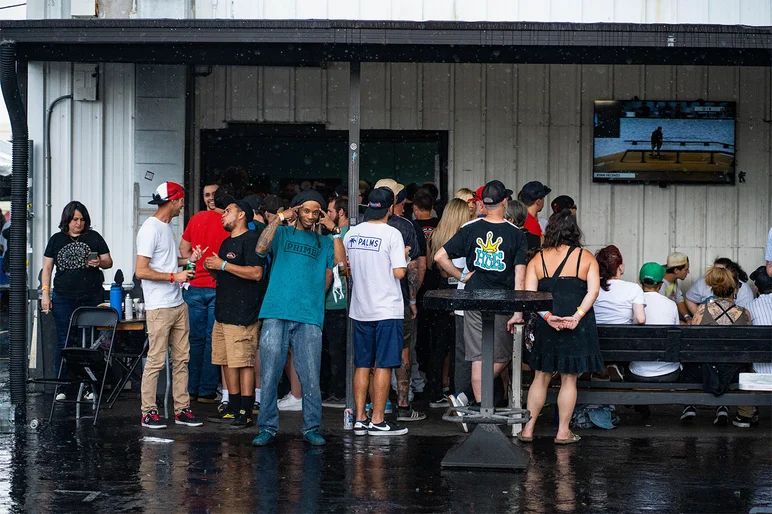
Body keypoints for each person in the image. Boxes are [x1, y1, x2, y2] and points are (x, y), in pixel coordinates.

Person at [251, 190, 344, 447]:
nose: (311, 216)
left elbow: (342, 266)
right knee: (270, 374)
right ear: (297, 210)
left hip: (309, 315)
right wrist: (279, 217)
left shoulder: (324, 242)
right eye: (306, 210)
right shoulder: (281, 233)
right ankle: (267, 427)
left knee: (310, 376)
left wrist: (334, 231)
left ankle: (311, 427)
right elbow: (260, 248)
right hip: (276, 311)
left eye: (316, 212)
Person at [435, 180, 527, 423]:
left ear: (482, 204)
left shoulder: (470, 227)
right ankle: (479, 409)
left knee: (478, 358)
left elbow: (439, 256)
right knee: (503, 357)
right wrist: (518, 311)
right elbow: (520, 276)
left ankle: (479, 415)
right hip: (502, 301)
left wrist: (462, 276)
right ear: (505, 201)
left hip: (472, 298)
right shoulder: (516, 234)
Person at [519, 210, 603, 444]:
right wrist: (576, 317)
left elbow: (529, 295)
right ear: (574, 231)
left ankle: (528, 430)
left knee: (541, 376)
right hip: (576, 326)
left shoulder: (537, 259)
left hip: (548, 325)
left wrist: (547, 317)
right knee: (569, 378)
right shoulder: (585, 257)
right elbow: (593, 291)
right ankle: (563, 432)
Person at [135, 182, 205, 429]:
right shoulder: (150, 229)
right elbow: (141, 270)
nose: (183, 204)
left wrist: (188, 261)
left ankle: (181, 410)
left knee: (182, 359)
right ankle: (148, 412)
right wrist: (175, 276)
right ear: (172, 201)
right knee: (156, 360)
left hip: (177, 302)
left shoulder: (167, 226)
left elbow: (166, 260)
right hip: (159, 306)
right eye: (182, 200)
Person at [345, 187, 409, 436]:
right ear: (390, 208)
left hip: (361, 308)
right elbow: (399, 273)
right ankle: (378, 420)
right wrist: (402, 256)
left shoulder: (352, 233)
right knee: (383, 365)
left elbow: (347, 267)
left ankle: (360, 419)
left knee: (362, 364)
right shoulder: (392, 234)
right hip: (386, 309)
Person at [41, 201, 113, 401]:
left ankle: (89, 386)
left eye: (82, 219)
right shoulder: (56, 240)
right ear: (67, 220)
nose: (79, 223)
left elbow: (109, 261)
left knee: (90, 342)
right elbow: (47, 269)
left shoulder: (94, 237)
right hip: (63, 297)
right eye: (75, 219)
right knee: (64, 340)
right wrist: (45, 293)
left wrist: (99, 261)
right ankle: (62, 386)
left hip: (91, 295)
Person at [203, 199, 265, 428]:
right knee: (227, 361)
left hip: (243, 312)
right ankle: (232, 407)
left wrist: (222, 266)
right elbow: (226, 273)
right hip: (223, 311)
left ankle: (246, 411)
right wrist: (214, 269)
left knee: (244, 362)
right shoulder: (227, 242)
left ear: (242, 215)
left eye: (228, 211)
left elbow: (256, 273)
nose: (222, 214)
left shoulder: (251, 240)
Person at [373, 178, 426, 423]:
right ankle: (403, 405)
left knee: (371, 353)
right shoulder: (405, 226)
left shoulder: (362, 225)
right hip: (397, 298)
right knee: (403, 350)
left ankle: (377, 406)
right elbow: (414, 267)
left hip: (368, 299)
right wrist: (413, 299)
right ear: (393, 199)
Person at [680, 266, 752, 426]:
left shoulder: (700, 310)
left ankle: (690, 406)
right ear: (734, 290)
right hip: (733, 373)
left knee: (691, 365)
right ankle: (723, 406)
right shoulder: (745, 313)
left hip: (704, 372)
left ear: (713, 289)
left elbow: (693, 344)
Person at [180, 184, 229, 404]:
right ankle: (208, 391)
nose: (209, 198)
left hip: (195, 286)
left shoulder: (196, 219)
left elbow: (183, 250)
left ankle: (191, 388)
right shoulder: (228, 222)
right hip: (217, 286)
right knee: (212, 340)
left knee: (195, 340)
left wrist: (195, 259)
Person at [425, 198, 471, 407]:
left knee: (438, 345)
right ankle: (455, 390)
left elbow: (429, 263)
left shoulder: (436, 234)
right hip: (456, 291)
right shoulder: (463, 237)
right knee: (458, 347)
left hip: (438, 292)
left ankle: (435, 389)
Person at [593, 245, 645, 381]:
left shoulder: (592, 288)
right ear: (620, 267)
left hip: (595, 345)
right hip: (621, 346)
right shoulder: (633, 288)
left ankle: (601, 368)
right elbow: (640, 319)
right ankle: (614, 365)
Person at [320, 196, 350, 408]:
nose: (326, 215)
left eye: (329, 211)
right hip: (350, 304)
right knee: (344, 351)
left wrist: (317, 299)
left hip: (332, 303)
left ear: (340, 213)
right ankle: (341, 391)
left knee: (333, 353)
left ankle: (337, 393)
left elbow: (329, 274)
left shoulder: (334, 239)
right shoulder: (355, 235)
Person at [628, 263, 680, 382]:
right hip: (668, 372)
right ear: (660, 285)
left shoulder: (631, 305)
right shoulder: (671, 305)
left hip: (637, 371)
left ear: (640, 282)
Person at [734, 265, 771, 428]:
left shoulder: (749, 309)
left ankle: (746, 414)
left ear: (756, 288)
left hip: (759, 372)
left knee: (743, 363)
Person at [685, 257, 754, 312]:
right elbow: (689, 299)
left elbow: (744, 315)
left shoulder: (743, 289)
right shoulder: (702, 282)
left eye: (721, 271)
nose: (716, 275)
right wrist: (698, 316)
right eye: (714, 271)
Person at [660, 252, 692, 323]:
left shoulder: (673, 280)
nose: (688, 272)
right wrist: (680, 323)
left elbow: (679, 300)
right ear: (676, 270)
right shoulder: (660, 285)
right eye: (686, 269)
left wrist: (687, 317)